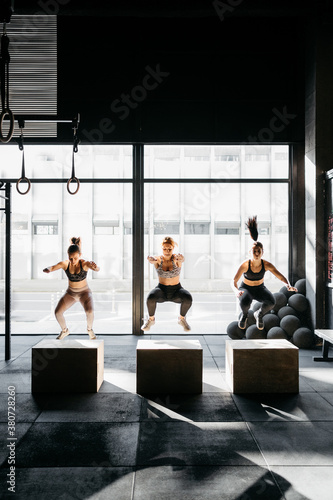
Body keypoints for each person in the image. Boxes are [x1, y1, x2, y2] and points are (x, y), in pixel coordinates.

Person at [231, 216, 297, 330]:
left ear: (262, 252)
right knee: (244, 303)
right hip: (246, 289)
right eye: (254, 251)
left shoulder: (266, 264)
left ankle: (259, 314)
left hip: (260, 289)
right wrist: (236, 291)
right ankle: (245, 315)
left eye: (259, 251)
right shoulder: (245, 265)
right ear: (250, 252)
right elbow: (233, 281)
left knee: (271, 301)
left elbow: (279, 276)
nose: (256, 253)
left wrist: (288, 285)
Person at [43, 237, 100, 340]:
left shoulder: (84, 263)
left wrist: (96, 267)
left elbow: (96, 269)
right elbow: (53, 267)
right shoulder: (65, 264)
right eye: (70, 258)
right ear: (68, 256)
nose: (73, 260)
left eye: (75, 258)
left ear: (80, 256)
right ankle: (65, 331)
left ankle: (89, 330)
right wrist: (48, 269)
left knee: (90, 312)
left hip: (84, 293)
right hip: (71, 294)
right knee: (57, 313)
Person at [142, 236, 193, 332]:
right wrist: (150, 260)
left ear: (173, 248)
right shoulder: (158, 259)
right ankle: (151, 320)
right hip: (161, 289)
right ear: (161, 248)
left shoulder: (176, 259)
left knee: (188, 298)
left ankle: (182, 319)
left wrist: (182, 259)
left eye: (169, 249)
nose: (167, 251)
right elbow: (153, 259)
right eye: (165, 248)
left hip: (176, 290)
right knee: (150, 298)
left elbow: (181, 260)